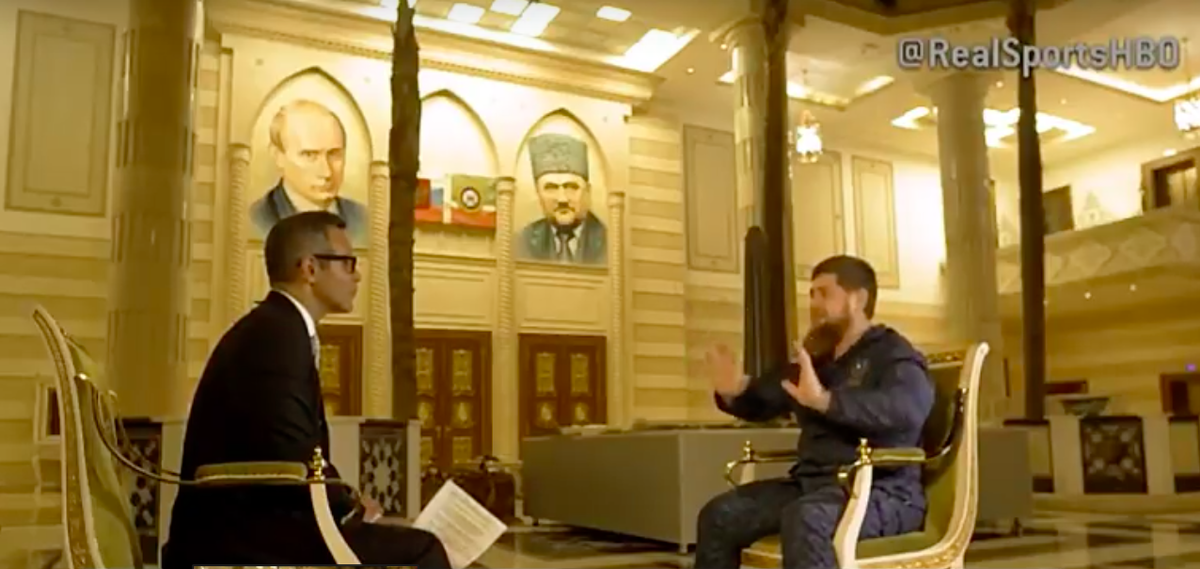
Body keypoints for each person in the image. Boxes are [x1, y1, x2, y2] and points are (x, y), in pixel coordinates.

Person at [163, 211, 449, 568]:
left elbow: (292, 450)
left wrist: (349, 503)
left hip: (254, 525)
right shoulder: (276, 336)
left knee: (406, 540)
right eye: (348, 263)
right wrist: (350, 505)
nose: (357, 275)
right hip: (239, 536)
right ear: (310, 269)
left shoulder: (278, 327)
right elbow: (292, 453)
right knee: (424, 549)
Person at [694, 255, 934, 569]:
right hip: (812, 485)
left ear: (858, 299)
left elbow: (907, 411)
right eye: (811, 294)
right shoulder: (818, 358)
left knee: (806, 519)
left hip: (883, 491)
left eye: (824, 293)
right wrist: (734, 391)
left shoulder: (893, 353)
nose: (814, 303)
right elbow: (766, 399)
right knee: (719, 515)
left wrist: (826, 401)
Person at [249, 99, 368, 244]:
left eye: (334, 154)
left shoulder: (363, 218)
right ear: (278, 156)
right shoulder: (256, 219)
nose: (326, 173)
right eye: (309, 155)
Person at [517, 133, 606, 264]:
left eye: (571, 187)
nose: (562, 199)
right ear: (538, 193)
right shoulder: (523, 242)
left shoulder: (609, 242)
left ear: (588, 192)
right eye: (551, 188)